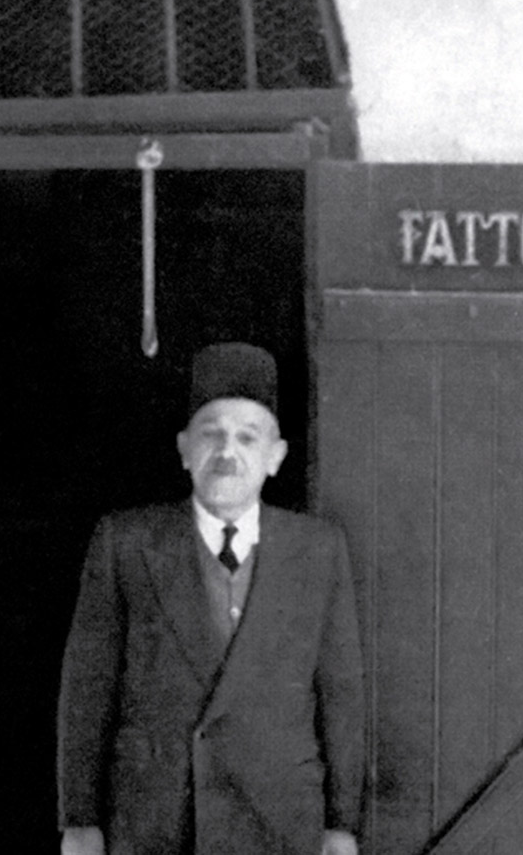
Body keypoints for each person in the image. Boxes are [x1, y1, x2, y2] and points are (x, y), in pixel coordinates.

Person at [58, 342, 364, 855]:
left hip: (277, 818)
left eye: (248, 437)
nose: (227, 452)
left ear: (275, 457)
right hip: (155, 819)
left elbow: (341, 694)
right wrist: (80, 820)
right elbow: (87, 689)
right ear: (184, 449)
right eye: (211, 434)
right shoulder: (127, 542)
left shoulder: (317, 549)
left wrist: (341, 824)